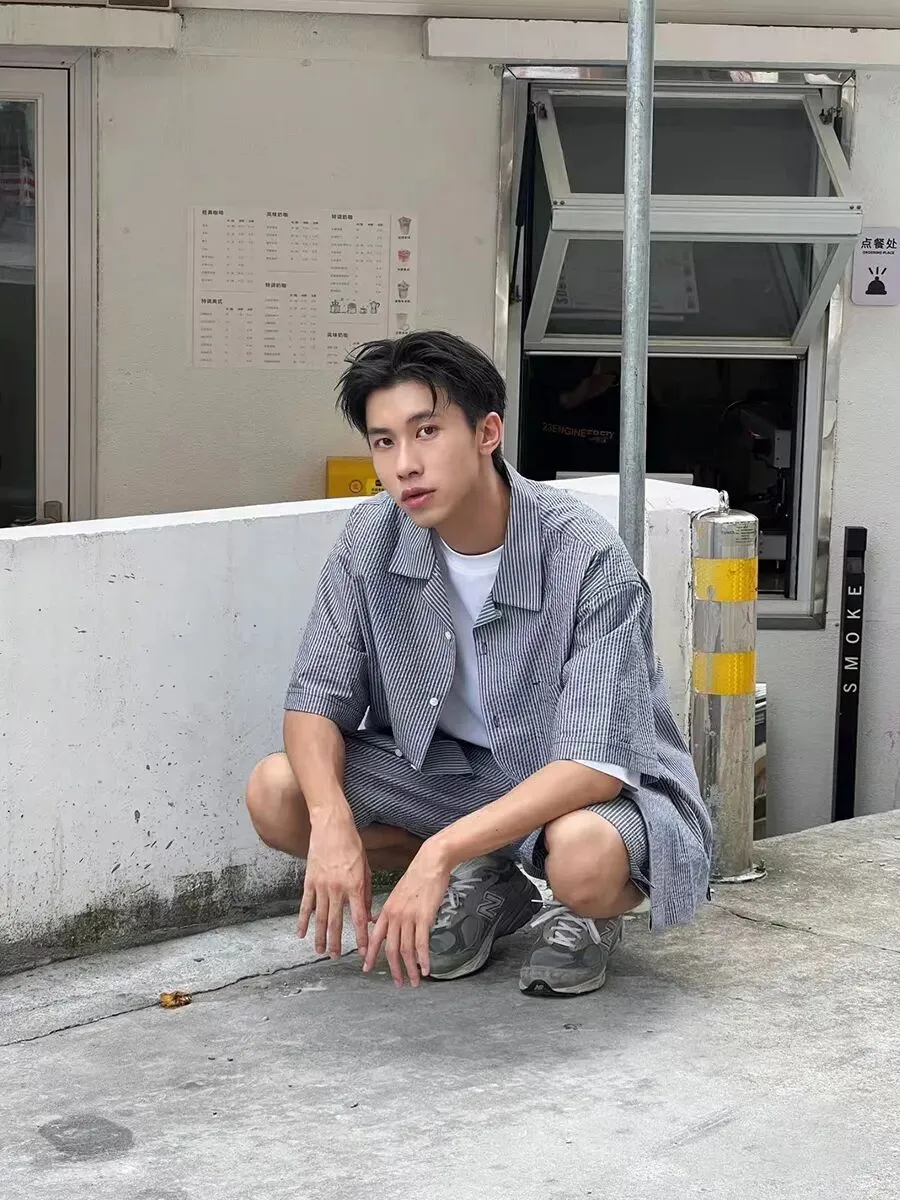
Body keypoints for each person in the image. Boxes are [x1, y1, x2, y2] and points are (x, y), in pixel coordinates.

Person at [246, 331, 712, 998]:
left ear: (487, 433)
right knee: (280, 792)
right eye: (384, 442)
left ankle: (584, 911)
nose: (405, 464)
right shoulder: (371, 537)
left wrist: (440, 851)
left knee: (582, 858)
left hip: (584, 791)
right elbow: (316, 700)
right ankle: (490, 878)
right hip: (450, 775)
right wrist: (331, 821)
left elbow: (593, 765)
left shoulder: (584, 554)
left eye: (426, 432)